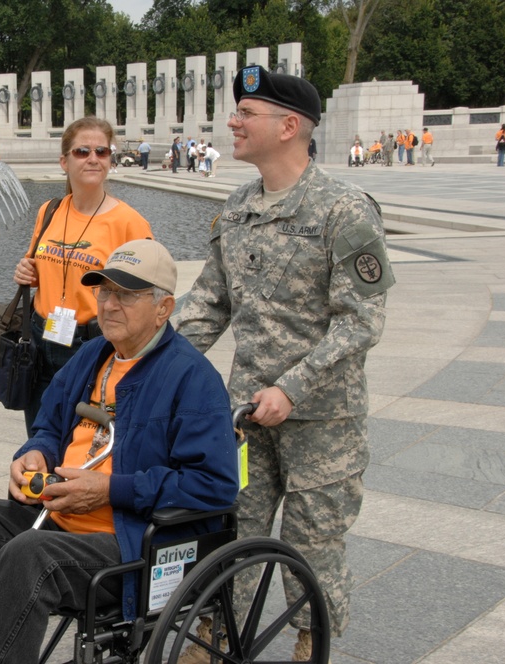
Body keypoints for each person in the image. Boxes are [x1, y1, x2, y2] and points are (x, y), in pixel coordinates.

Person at [0, 239, 240, 664]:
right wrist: (35, 452)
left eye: (125, 295)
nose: (108, 305)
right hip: (57, 520)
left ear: (163, 307)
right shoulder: (93, 355)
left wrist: (110, 490)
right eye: (104, 291)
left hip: (129, 547)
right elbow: (49, 425)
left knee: (29, 554)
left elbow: (215, 486)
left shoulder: (193, 379)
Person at [175, 65, 395, 661]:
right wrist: (152, 364)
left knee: (313, 543)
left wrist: (293, 389)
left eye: (247, 113)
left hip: (322, 420)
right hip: (245, 414)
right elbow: (208, 304)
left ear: (289, 125)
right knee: (232, 534)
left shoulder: (345, 210)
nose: (232, 121)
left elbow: (360, 321)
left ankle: (309, 638)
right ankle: (216, 636)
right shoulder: (238, 205)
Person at [13, 116, 153, 436]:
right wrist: (26, 271)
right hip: (41, 337)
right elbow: (38, 264)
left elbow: (147, 296)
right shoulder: (49, 210)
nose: (93, 158)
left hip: (91, 345)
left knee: (83, 439)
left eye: (102, 151)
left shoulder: (129, 223)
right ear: (64, 161)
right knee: (40, 437)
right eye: (82, 151)